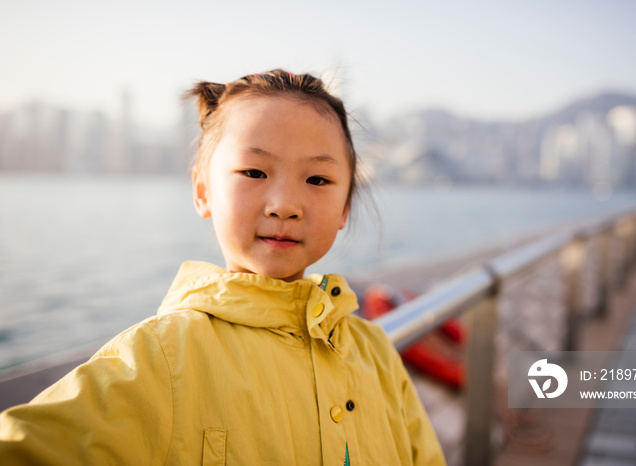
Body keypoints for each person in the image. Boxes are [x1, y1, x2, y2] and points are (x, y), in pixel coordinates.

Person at [0, 69, 445, 465]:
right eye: (254, 172)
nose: (286, 205)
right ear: (202, 192)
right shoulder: (162, 357)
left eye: (317, 180)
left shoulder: (376, 352)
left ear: (345, 206)